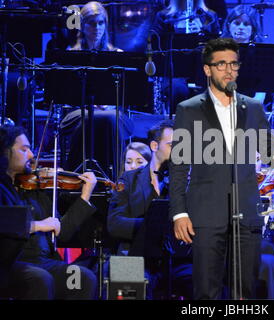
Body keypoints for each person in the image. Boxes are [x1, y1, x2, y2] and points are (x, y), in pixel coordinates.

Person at [169, 38, 274, 299]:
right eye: (221, 64)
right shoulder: (188, 109)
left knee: (244, 291)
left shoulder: (253, 107)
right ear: (207, 69)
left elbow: (268, 155)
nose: (228, 70)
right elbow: (178, 167)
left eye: (233, 64)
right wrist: (179, 213)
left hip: (246, 211)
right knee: (206, 292)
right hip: (206, 213)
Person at [0, 125, 98, 299]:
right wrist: (37, 225)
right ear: (5, 152)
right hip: (11, 263)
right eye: (24, 150)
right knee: (41, 279)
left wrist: (85, 195)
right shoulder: (2, 189)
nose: (31, 155)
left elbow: (63, 231)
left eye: (30, 149)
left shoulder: (36, 189)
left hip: (43, 261)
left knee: (82, 278)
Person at [108, 120, 192, 299]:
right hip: (133, 256)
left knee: (208, 277)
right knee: (126, 281)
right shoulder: (129, 180)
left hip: (176, 259)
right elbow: (114, 223)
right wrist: (151, 226)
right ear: (154, 146)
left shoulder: (188, 182)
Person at [60, 1, 134, 180]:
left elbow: (126, 95)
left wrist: (107, 104)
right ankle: (79, 174)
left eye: (101, 23)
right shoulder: (71, 54)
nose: (97, 28)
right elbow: (64, 94)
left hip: (113, 111)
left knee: (108, 117)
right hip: (78, 111)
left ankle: (115, 178)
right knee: (97, 117)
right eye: (92, 23)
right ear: (82, 26)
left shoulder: (118, 54)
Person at [152, 0, 220, 35]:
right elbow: (156, 43)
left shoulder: (211, 16)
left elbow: (215, 44)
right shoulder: (163, 16)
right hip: (174, 58)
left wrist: (202, 33)